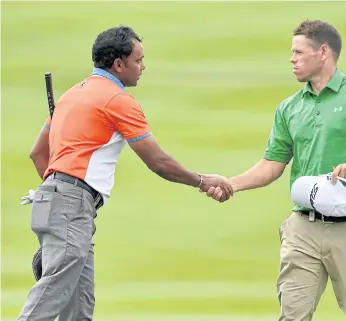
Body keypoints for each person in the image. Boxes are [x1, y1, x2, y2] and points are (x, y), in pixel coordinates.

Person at [18, 26, 232, 321]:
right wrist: (202, 180)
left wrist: (58, 197)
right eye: (138, 60)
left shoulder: (72, 94)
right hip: (70, 206)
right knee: (51, 296)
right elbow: (157, 161)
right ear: (118, 64)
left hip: (56, 203)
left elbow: (38, 154)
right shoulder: (117, 100)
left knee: (79, 308)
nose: (143, 67)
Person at [205, 19, 346, 321]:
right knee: (293, 315)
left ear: (323, 52)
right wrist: (232, 184)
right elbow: (272, 164)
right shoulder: (289, 108)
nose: (292, 59)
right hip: (304, 226)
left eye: (299, 52)